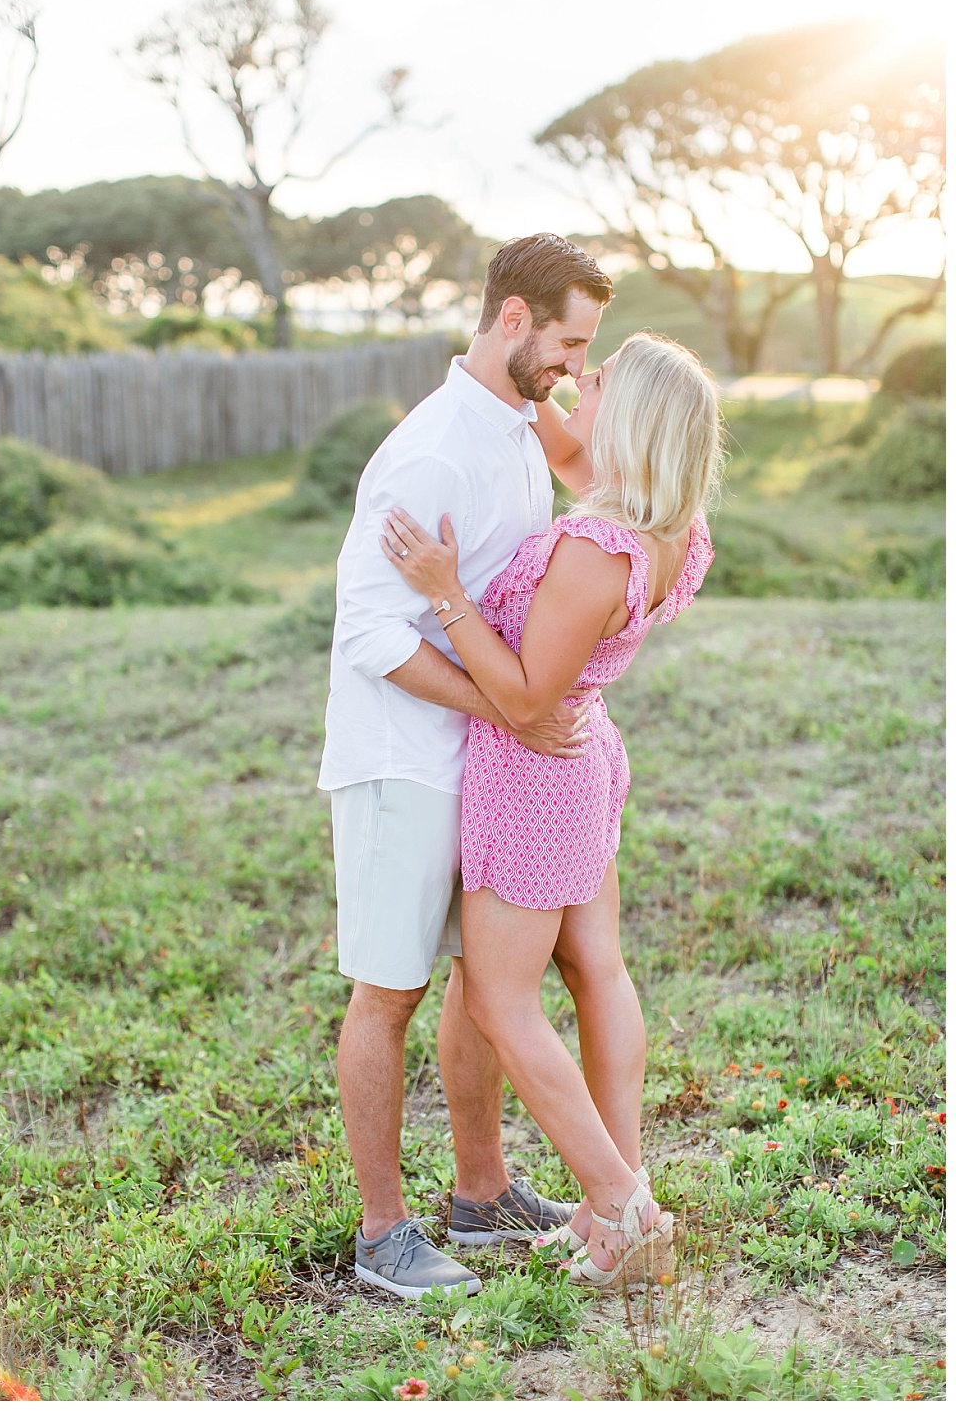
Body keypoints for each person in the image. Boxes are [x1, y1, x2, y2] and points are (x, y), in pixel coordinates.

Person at [380, 330, 720, 1289]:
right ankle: (608, 1201)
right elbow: (567, 442)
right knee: (596, 970)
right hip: (586, 760)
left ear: (637, 416)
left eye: (598, 379)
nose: (581, 383)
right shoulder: (671, 531)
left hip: (535, 774)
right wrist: (506, 367)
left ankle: (623, 1209)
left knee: (500, 998)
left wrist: (448, 596)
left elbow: (527, 700)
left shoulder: (591, 549)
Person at [316, 234, 616, 1300]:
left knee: (480, 981)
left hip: (482, 753)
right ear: (509, 321)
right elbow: (366, 633)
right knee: (387, 991)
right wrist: (505, 703)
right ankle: (382, 1232)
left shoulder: (519, 425)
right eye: (566, 342)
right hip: (401, 759)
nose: (574, 365)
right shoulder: (433, 450)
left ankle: (480, 1196)